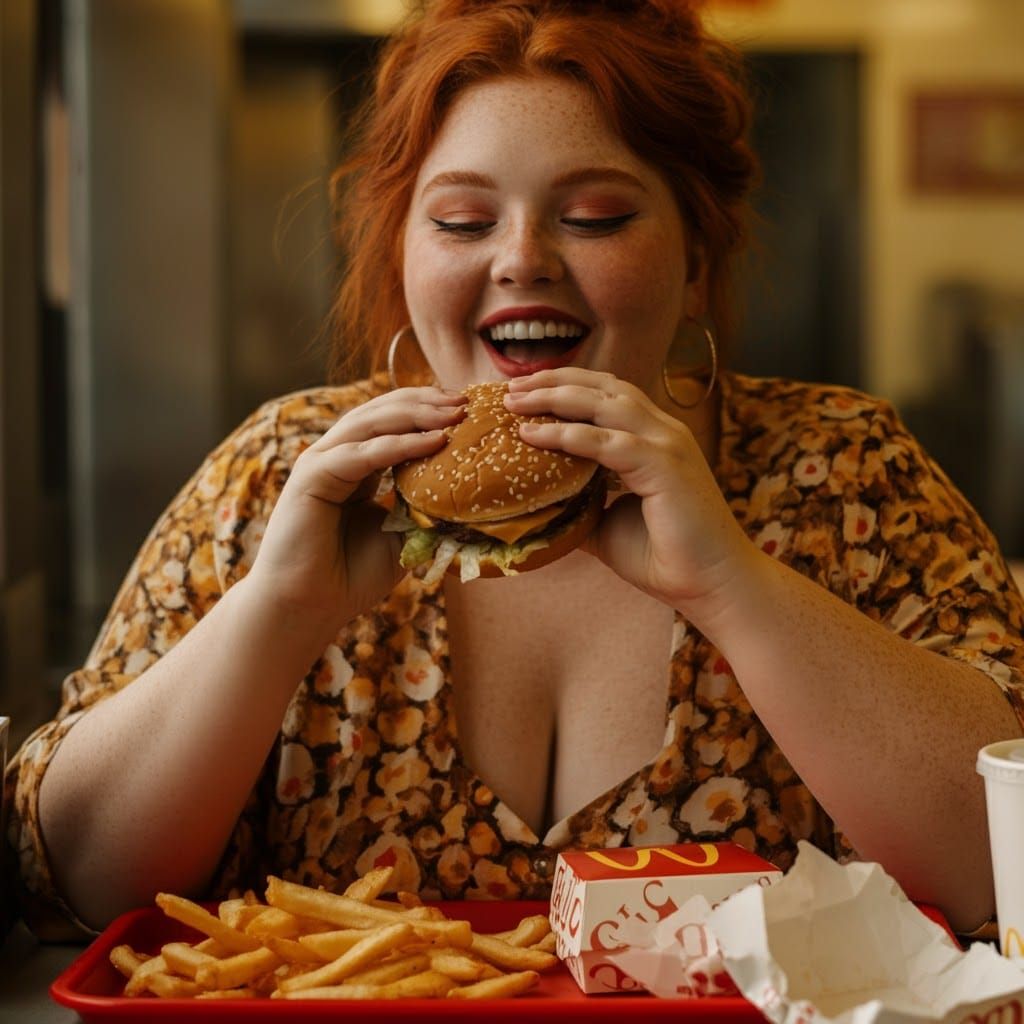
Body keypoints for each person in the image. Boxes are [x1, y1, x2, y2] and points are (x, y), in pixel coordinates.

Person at [6, 0, 1023, 942]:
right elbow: (76, 879)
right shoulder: (279, 474)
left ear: (697, 257)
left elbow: (997, 867)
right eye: (460, 221)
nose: (521, 259)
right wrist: (276, 612)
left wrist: (732, 584)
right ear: (401, 254)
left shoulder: (844, 467)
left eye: (594, 217)